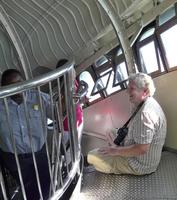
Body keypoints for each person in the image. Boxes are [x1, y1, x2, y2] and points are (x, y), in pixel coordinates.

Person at [87, 73, 167, 175]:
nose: (127, 92)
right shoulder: (146, 102)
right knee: (110, 131)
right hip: (139, 150)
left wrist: (115, 151)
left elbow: (141, 149)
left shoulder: (145, 114)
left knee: (91, 156)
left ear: (145, 91)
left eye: (131, 88)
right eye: (128, 88)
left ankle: (112, 162)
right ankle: (113, 154)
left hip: (140, 164)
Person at [0, 69, 51, 200]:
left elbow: (57, 113)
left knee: (46, 184)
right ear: (4, 87)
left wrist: (66, 92)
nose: (17, 88)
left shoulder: (38, 97)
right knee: (29, 190)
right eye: (11, 85)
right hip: (14, 159)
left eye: (19, 82)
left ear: (24, 81)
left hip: (39, 154)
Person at [56, 59, 83, 141]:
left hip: (78, 121)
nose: (75, 71)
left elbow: (78, 101)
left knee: (77, 146)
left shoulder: (74, 82)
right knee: (69, 151)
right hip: (68, 127)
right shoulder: (63, 88)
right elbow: (63, 108)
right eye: (72, 69)